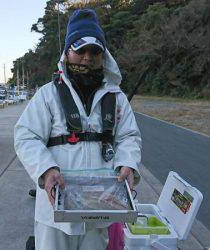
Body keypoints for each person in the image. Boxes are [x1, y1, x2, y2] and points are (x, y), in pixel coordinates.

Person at [14, 8, 141, 250]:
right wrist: (46, 169)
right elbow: (26, 136)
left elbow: (129, 137)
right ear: (67, 52)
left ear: (103, 55)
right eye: (80, 49)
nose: (87, 57)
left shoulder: (116, 97)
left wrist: (129, 163)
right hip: (54, 214)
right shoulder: (47, 95)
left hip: (101, 209)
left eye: (95, 51)